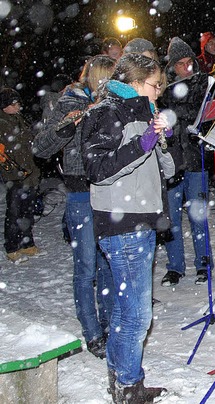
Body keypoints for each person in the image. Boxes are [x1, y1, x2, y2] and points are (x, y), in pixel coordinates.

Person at [81, 53, 174, 401]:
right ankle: (129, 385)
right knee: (137, 316)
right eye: (155, 84)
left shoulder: (140, 111)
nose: (158, 91)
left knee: (123, 311)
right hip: (123, 223)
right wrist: (142, 144)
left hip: (139, 218)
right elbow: (98, 169)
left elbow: (166, 168)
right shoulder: (106, 112)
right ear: (135, 83)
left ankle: (122, 379)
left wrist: (161, 139)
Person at [33, 55, 116, 359]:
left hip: (109, 192)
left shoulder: (112, 102)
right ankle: (92, 332)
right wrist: (70, 126)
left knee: (109, 262)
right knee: (85, 266)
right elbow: (40, 146)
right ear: (94, 78)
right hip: (81, 193)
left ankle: (109, 326)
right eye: (107, 79)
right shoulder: (68, 102)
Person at [159, 36, 212, 286]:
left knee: (198, 216)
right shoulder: (162, 88)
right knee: (172, 220)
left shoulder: (202, 83)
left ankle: (203, 262)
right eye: (181, 64)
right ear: (172, 66)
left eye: (190, 62)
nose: (187, 68)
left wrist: (179, 113)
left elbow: (200, 114)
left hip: (195, 158)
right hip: (171, 160)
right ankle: (175, 266)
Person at [0, 88, 42, 263]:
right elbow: (7, 150)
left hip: (28, 172)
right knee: (15, 212)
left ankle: (27, 242)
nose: (18, 106)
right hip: (15, 175)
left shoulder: (19, 119)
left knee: (27, 210)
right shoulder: (2, 123)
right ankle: (12, 246)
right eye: (13, 104)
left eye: (18, 103)